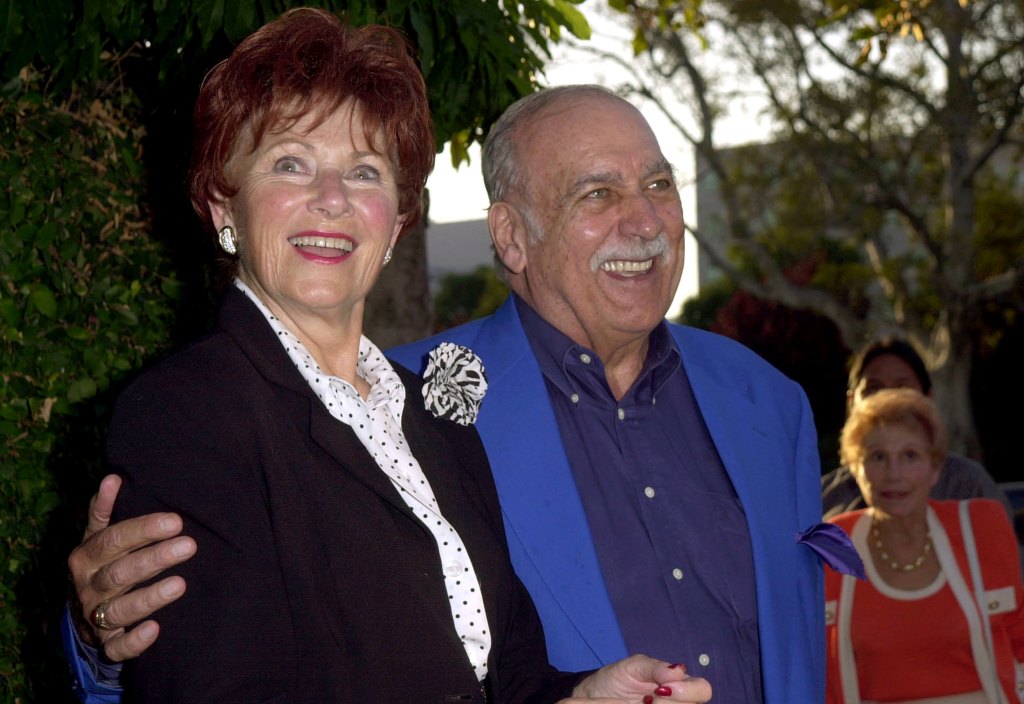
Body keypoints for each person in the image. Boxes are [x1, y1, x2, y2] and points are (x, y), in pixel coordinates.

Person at [66, 84, 860, 702]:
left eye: (657, 183)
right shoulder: (428, 406)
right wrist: (107, 641)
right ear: (510, 236)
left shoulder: (769, 400)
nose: (643, 219)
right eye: (596, 194)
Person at [824, 388, 1024, 703]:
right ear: (854, 468)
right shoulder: (835, 544)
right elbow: (821, 674)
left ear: (935, 468)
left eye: (910, 456)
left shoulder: (982, 525)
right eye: (877, 456)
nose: (893, 474)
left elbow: (1020, 639)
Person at [821, 335, 1015, 521]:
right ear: (851, 403)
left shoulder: (969, 486)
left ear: (928, 398)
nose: (889, 398)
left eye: (902, 388)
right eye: (873, 388)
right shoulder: (823, 497)